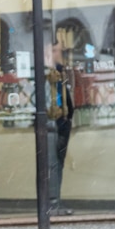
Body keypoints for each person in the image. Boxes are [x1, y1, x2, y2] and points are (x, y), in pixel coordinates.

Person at [47, 41, 75, 216]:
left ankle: (55, 201)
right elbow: (54, 99)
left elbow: (65, 98)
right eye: (56, 50)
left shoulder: (61, 71)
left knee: (58, 163)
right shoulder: (49, 73)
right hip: (53, 122)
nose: (60, 54)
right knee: (53, 165)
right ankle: (52, 203)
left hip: (62, 122)